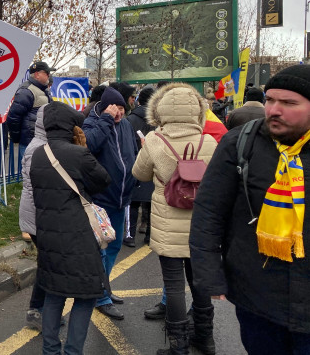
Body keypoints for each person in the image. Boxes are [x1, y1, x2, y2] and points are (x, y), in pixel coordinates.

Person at [190, 65, 310, 355]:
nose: (274, 110)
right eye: (270, 100)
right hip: (258, 295)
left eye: (289, 103)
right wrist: (209, 274)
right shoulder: (240, 143)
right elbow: (208, 212)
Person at [132, 82, 218, 355]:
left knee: (174, 284)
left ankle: (178, 345)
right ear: (198, 111)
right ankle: (205, 338)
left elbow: (139, 174)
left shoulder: (156, 140)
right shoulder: (209, 141)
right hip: (201, 224)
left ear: (161, 110)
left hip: (168, 222)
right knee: (199, 281)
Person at [30, 102, 111, 354]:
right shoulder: (78, 153)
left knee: (54, 294)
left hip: (48, 236)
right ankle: (73, 351)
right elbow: (103, 180)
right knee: (86, 296)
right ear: (70, 125)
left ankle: (50, 350)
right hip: (78, 235)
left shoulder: (38, 154)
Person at [82, 86, 139, 320]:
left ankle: (104, 287)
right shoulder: (92, 122)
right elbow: (90, 145)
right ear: (107, 107)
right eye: (117, 108)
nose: (120, 113)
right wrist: (106, 120)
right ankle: (101, 295)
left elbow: (131, 152)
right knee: (101, 249)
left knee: (114, 246)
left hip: (122, 196)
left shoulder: (125, 124)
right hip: (101, 197)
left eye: (123, 108)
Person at [18, 104, 48, 331]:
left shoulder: (44, 144)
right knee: (48, 264)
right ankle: (36, 310)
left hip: (40, 214)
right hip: (39, 215)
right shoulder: (39, 148)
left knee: (48, 263)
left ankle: (41, 308)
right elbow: (33, 185)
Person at [125, 86, 156, 247]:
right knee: (151, 203)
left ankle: (129, 235)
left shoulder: (130, 119)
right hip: (153, 163)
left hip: (135, 162)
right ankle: (150, 236)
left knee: (133, 202)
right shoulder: (157, 120)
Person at [6, 61, 54, 165]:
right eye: (46, 73)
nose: (49, 75)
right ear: (37, 74)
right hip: (29, 142)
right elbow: (13, 117)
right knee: (31, 174)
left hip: (42, 140)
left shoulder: (44, 90)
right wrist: (17, 138)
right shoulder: (27, 91)